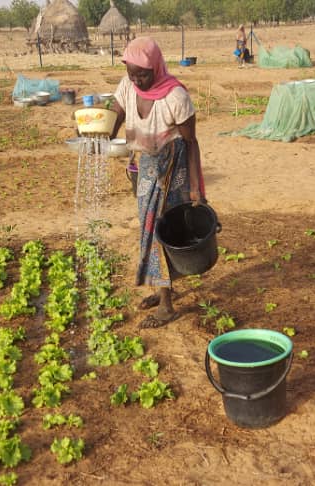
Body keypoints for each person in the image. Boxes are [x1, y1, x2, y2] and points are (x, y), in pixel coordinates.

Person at [108, 37, 205, 329]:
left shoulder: (175, 96)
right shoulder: (128, 86)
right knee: (148, 231)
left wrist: (195, 187)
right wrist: (97, 129)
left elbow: (192, 143)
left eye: (143, 74)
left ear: (157, 67)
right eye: (132, 73)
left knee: (162, 232)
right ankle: (163, 289)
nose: (138, 80)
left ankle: (166, 305)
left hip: (173, 168)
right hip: (146, 166)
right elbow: (114, 114)